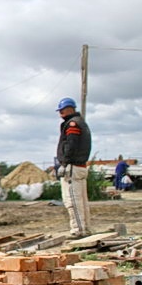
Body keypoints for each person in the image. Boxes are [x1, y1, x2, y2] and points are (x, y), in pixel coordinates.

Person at [55, 97, 92, 238]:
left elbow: (71, 145)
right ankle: (85, 228)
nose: (60, 113)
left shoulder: (72, 124)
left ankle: (78, 230)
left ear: (69, 109)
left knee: (73, 201)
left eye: (62, 110)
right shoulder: (81, 122)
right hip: (80, 166)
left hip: (73, 167)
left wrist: (65, 163)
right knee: (82, 200)